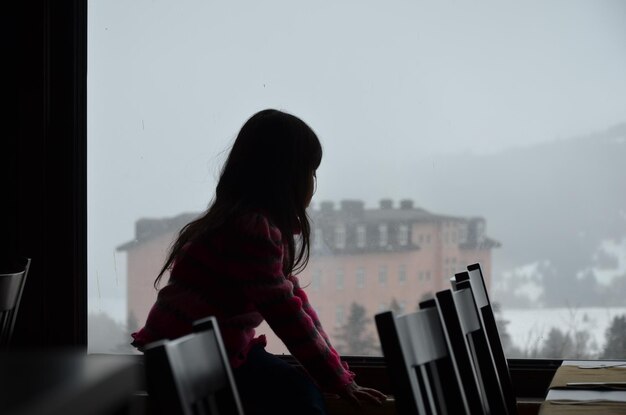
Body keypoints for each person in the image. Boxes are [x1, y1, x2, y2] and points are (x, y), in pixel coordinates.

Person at [131, 109, 386, 414]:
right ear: (285, 175)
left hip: (205, 352)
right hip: (192, 362)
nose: (313, 182)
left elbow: (293, 302)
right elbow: (285, 313)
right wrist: (338, 380)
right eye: (310, 171)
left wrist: (338, 374)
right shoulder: (251, 230)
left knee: (299, 389)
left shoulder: (242, 223)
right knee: (301, 398)